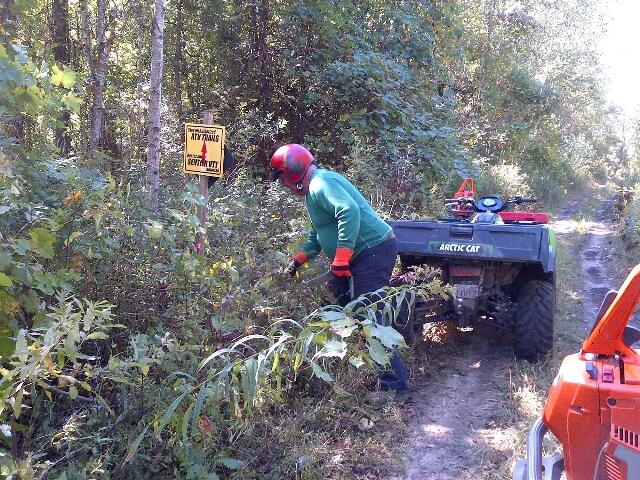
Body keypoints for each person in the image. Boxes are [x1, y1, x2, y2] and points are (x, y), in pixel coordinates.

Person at [269, 143, 409, 393]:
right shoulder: (313, 193)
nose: (285, 188)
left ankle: (394, 387)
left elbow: (349, 211)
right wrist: (298, 259)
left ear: (293, 173)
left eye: (283, 181)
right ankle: (355, 364)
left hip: (372, 251)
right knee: (342, 307)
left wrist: (341, 258)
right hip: (359, 255)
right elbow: (319, 233)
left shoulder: (321, 184)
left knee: (369, 317)